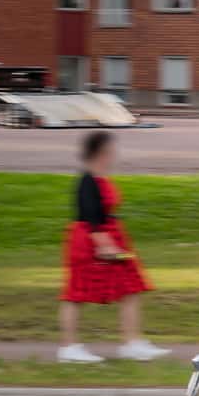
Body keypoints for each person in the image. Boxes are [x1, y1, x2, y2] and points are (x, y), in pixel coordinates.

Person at [58, 131, 170, 364]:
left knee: (131, 287)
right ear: (101, 152)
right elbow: (90, 215)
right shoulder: (87, 181)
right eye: (111, 150)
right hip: (90, 241)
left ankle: (131, 343)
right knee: (76, 293)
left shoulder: (99, 178)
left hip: (108, 237)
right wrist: (103, 243)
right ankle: (68, 348)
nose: (115, 154)